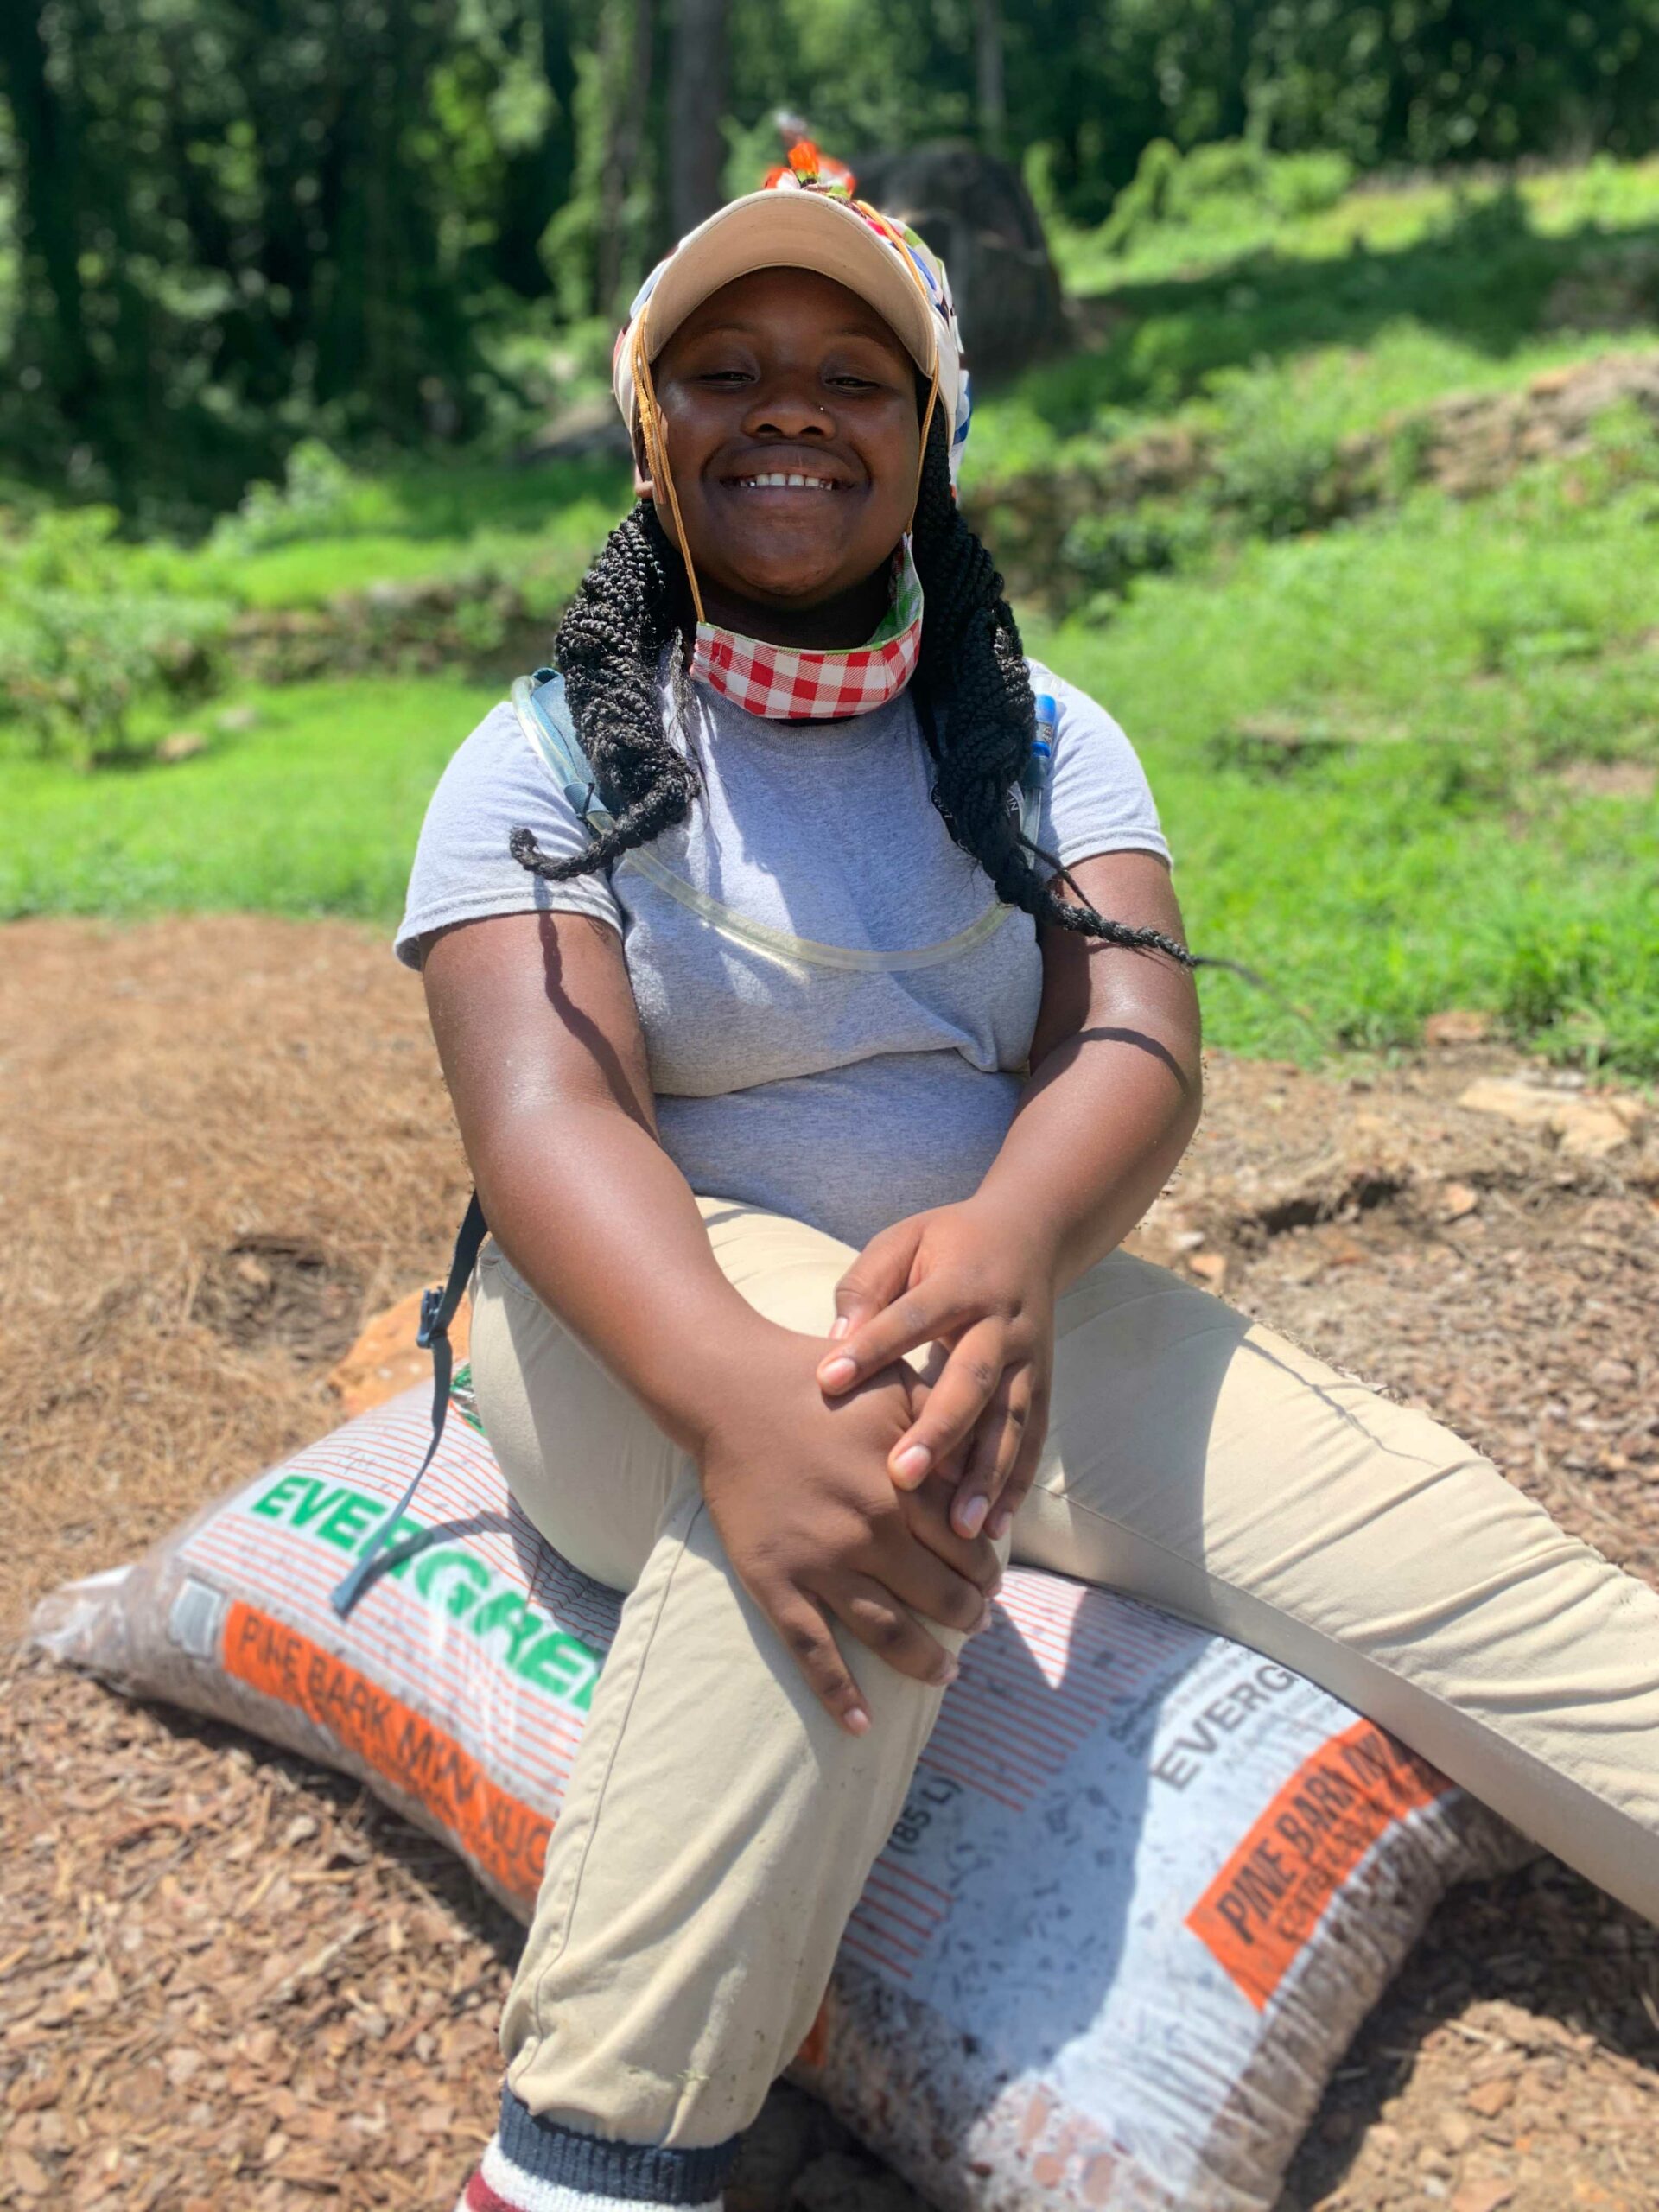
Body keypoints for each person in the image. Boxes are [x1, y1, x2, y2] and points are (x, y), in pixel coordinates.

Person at [395, 145, 1659, 2212]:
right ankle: (586, 2162)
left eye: (854, 374)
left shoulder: (1048, 735)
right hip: (633, 1310)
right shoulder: (538, 754)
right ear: (651, 430)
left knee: (1441, 1552)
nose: (789, 403)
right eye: (725, 366)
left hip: (1002, 1285)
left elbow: (1131, 1038)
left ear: (933, 434)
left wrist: (1010, 1234)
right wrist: (732, 1397)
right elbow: (548, 1118)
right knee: (878, 1464)